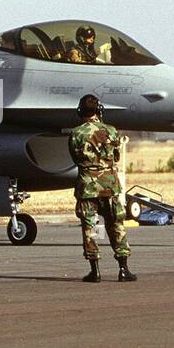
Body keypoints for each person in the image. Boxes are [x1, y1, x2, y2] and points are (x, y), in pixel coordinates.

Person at [67, 93, 135, 282]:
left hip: (87, 186)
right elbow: (116, 156)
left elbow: (75, 158)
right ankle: (123, 269)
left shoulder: (76, 133)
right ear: (98, 110)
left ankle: (95, 270)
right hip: (109, 185)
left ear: (81, 111)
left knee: (90, 227)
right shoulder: (111, 131)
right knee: (116, 224)